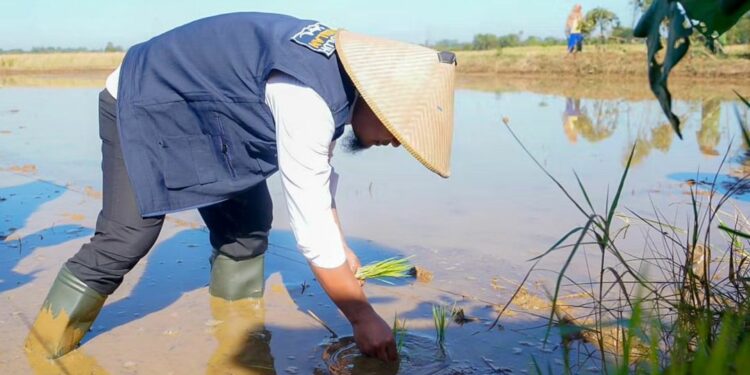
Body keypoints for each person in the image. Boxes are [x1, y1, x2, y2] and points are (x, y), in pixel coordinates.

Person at [25, 12, 456, 364]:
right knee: (127, 236)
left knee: (249, 225)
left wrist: (340, 246)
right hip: (143, 98)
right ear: (376, 98)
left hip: (210, 113)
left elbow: (319, 183)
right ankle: (42, 349)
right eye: (399, 129)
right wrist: (362, 317)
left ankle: (237, 342)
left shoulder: (334, 82)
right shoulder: (308, 98)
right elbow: (309, 224)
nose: (395, 141)